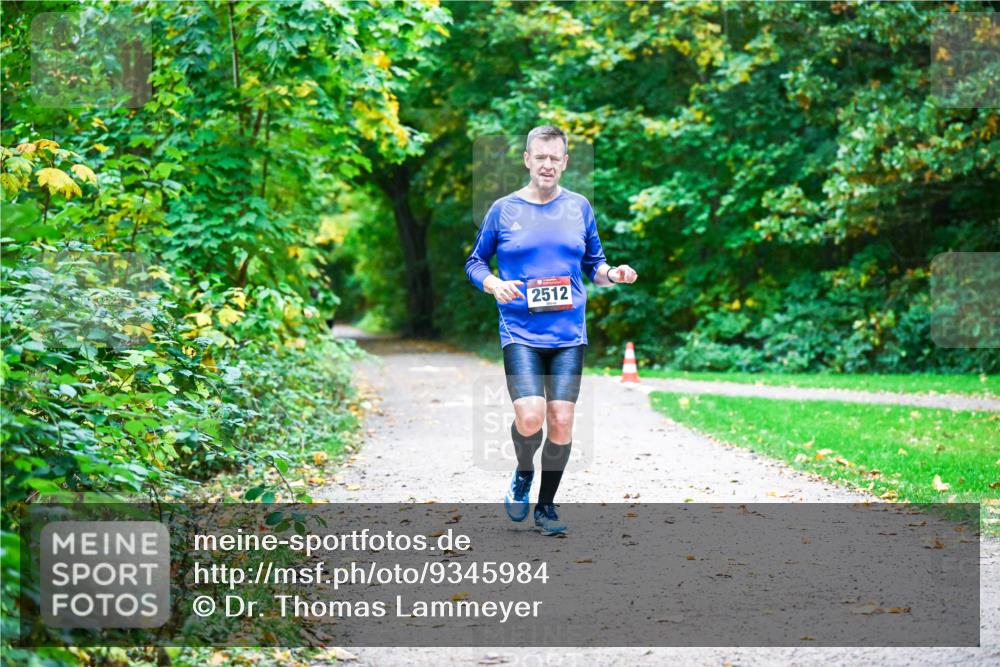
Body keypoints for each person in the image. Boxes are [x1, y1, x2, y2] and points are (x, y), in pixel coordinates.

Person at [464, 125, 637, 535]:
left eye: (554, 157)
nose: (546, 164)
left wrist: (613, 273)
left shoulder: (579, 207)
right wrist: (493, 283)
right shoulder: (503, 210)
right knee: (530, 416)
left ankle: (546, 507)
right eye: (539, 156)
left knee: (561, 420)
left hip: (567, 335)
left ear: (565, 162)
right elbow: (475, 262)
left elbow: (595, 264)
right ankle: (524, 471)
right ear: (527, 160)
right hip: (520, 331)